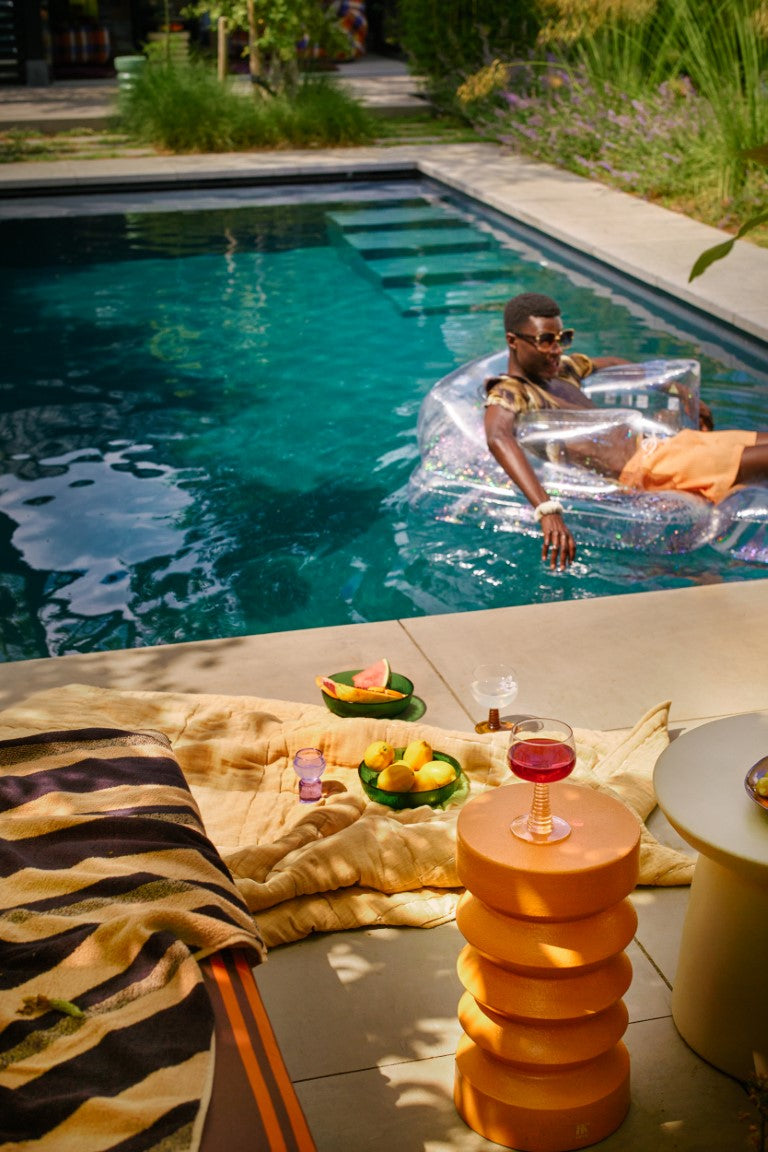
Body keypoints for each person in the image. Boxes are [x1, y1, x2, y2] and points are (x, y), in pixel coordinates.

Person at [485, 293, 768, 570]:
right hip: (646, 468)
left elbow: (616, 363)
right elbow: (498, 436)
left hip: (668, 447)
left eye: (563, 339)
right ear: (513, 341)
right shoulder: (513, 391)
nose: (557, 349)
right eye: (546, 341)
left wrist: (678, 390)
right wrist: (546, 511)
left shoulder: (562, 370)